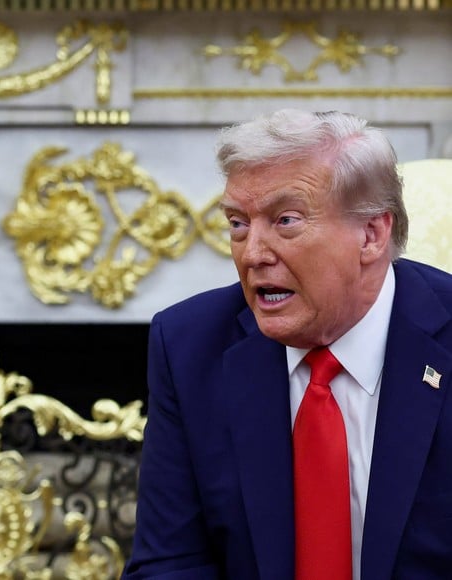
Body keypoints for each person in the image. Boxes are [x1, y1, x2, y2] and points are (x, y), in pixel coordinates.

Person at [124, 109, 452, 579]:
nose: (253, 253)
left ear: (372, 234)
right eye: (238, 224)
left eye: (286, 221)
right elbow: (170, 563)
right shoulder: (189, 346)